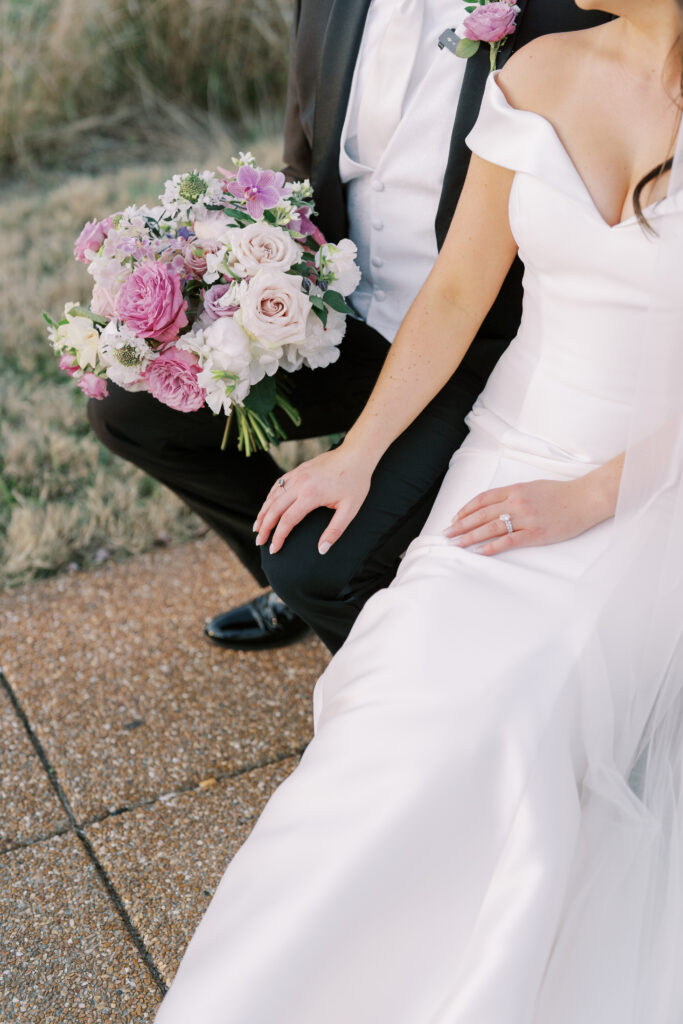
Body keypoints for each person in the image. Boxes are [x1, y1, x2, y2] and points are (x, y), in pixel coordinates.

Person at [153, 0, 683, 1020]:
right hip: (510, 448)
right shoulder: (534, 67)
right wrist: (355, 456)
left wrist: (587, 496)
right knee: (400, 695)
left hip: (647, 486)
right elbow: (453, 292)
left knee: (514, 715)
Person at [87, 0, 608, 654]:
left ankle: (390, 684)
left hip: (481, 341)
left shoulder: (570, 10)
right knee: (135, 409)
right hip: (341, 324)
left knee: (321, 569)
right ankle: (297, 575)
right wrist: (220, 273)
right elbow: (306, 165)